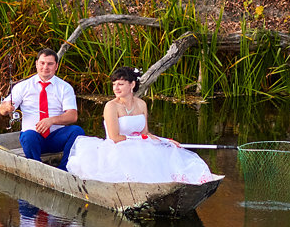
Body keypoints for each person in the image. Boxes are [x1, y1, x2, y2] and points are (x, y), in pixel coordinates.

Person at [66, 66, 215, 184]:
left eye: (120, 84)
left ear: (132, 84)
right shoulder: (111, 106)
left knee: (170, 152)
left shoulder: (141, 104)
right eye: (114, 84)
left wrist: (165, 141)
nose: (116, 88)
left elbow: (145, 132)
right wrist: (141, 140)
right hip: (117, 148)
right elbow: (115, 137)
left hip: (141, 145)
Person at [0, 48, 85, 171]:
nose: (45, 67)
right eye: (42, 63)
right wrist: (6, 107)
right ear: (36, 64)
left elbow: (72, 116)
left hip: (56, 138)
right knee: (28, 136)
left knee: (77, 131)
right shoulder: (23, 86)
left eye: (50, 64)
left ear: (56, 66)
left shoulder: (65, 88)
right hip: (34, 138)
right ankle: (37, 169)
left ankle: (64, 169)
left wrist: (51, 121)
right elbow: (2, 109)